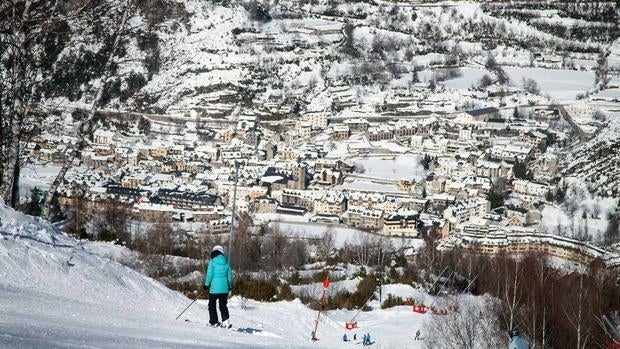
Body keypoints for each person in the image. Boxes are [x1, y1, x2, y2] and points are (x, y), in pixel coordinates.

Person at [204, 245, 233, 327]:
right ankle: (226, 322)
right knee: (223, 305)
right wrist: (229, 287)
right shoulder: (226, 263)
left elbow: (209, 274)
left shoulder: (212, 262)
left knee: (212, 304)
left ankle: (214, 322)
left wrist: (206, 284)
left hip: (214, 289)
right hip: (224, 289)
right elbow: (229, 276)